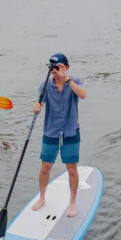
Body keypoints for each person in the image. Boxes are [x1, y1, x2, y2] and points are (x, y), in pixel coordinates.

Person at [32, 53, 87, 217]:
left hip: (70, 131)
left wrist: (67, 79)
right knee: (45, 167)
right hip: (51, 131)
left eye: (57, 67)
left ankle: (72, 202)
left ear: (66, 68)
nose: (54, 71)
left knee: (71, 169)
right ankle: (42, 197)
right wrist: (37, 107)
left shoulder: (75, 82)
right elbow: (39, 102)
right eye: (52, 68)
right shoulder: (45, 85)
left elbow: (83, 94)